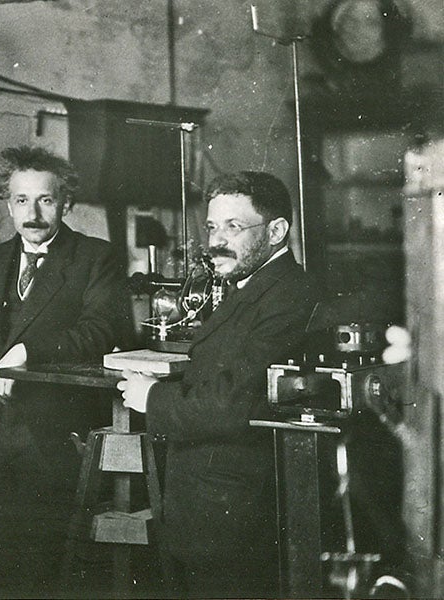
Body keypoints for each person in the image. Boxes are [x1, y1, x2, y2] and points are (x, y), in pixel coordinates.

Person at [118, 171, 315, 599]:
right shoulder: (250, 287)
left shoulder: (288, 296)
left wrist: (149, 396)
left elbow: (233, 404)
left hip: (237, 512)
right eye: (211, 226)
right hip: (213, 504)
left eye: (233, 226)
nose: (216, 241)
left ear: (277, 231)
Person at [0, 145, 133, 598]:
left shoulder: (96, 258)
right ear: (8, 203)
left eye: (45, 200)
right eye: (22, 200)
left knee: (52, 571)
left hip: (54, 443)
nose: (33, 213)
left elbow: (101, 331)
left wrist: (27, 351)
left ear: (66, 203)